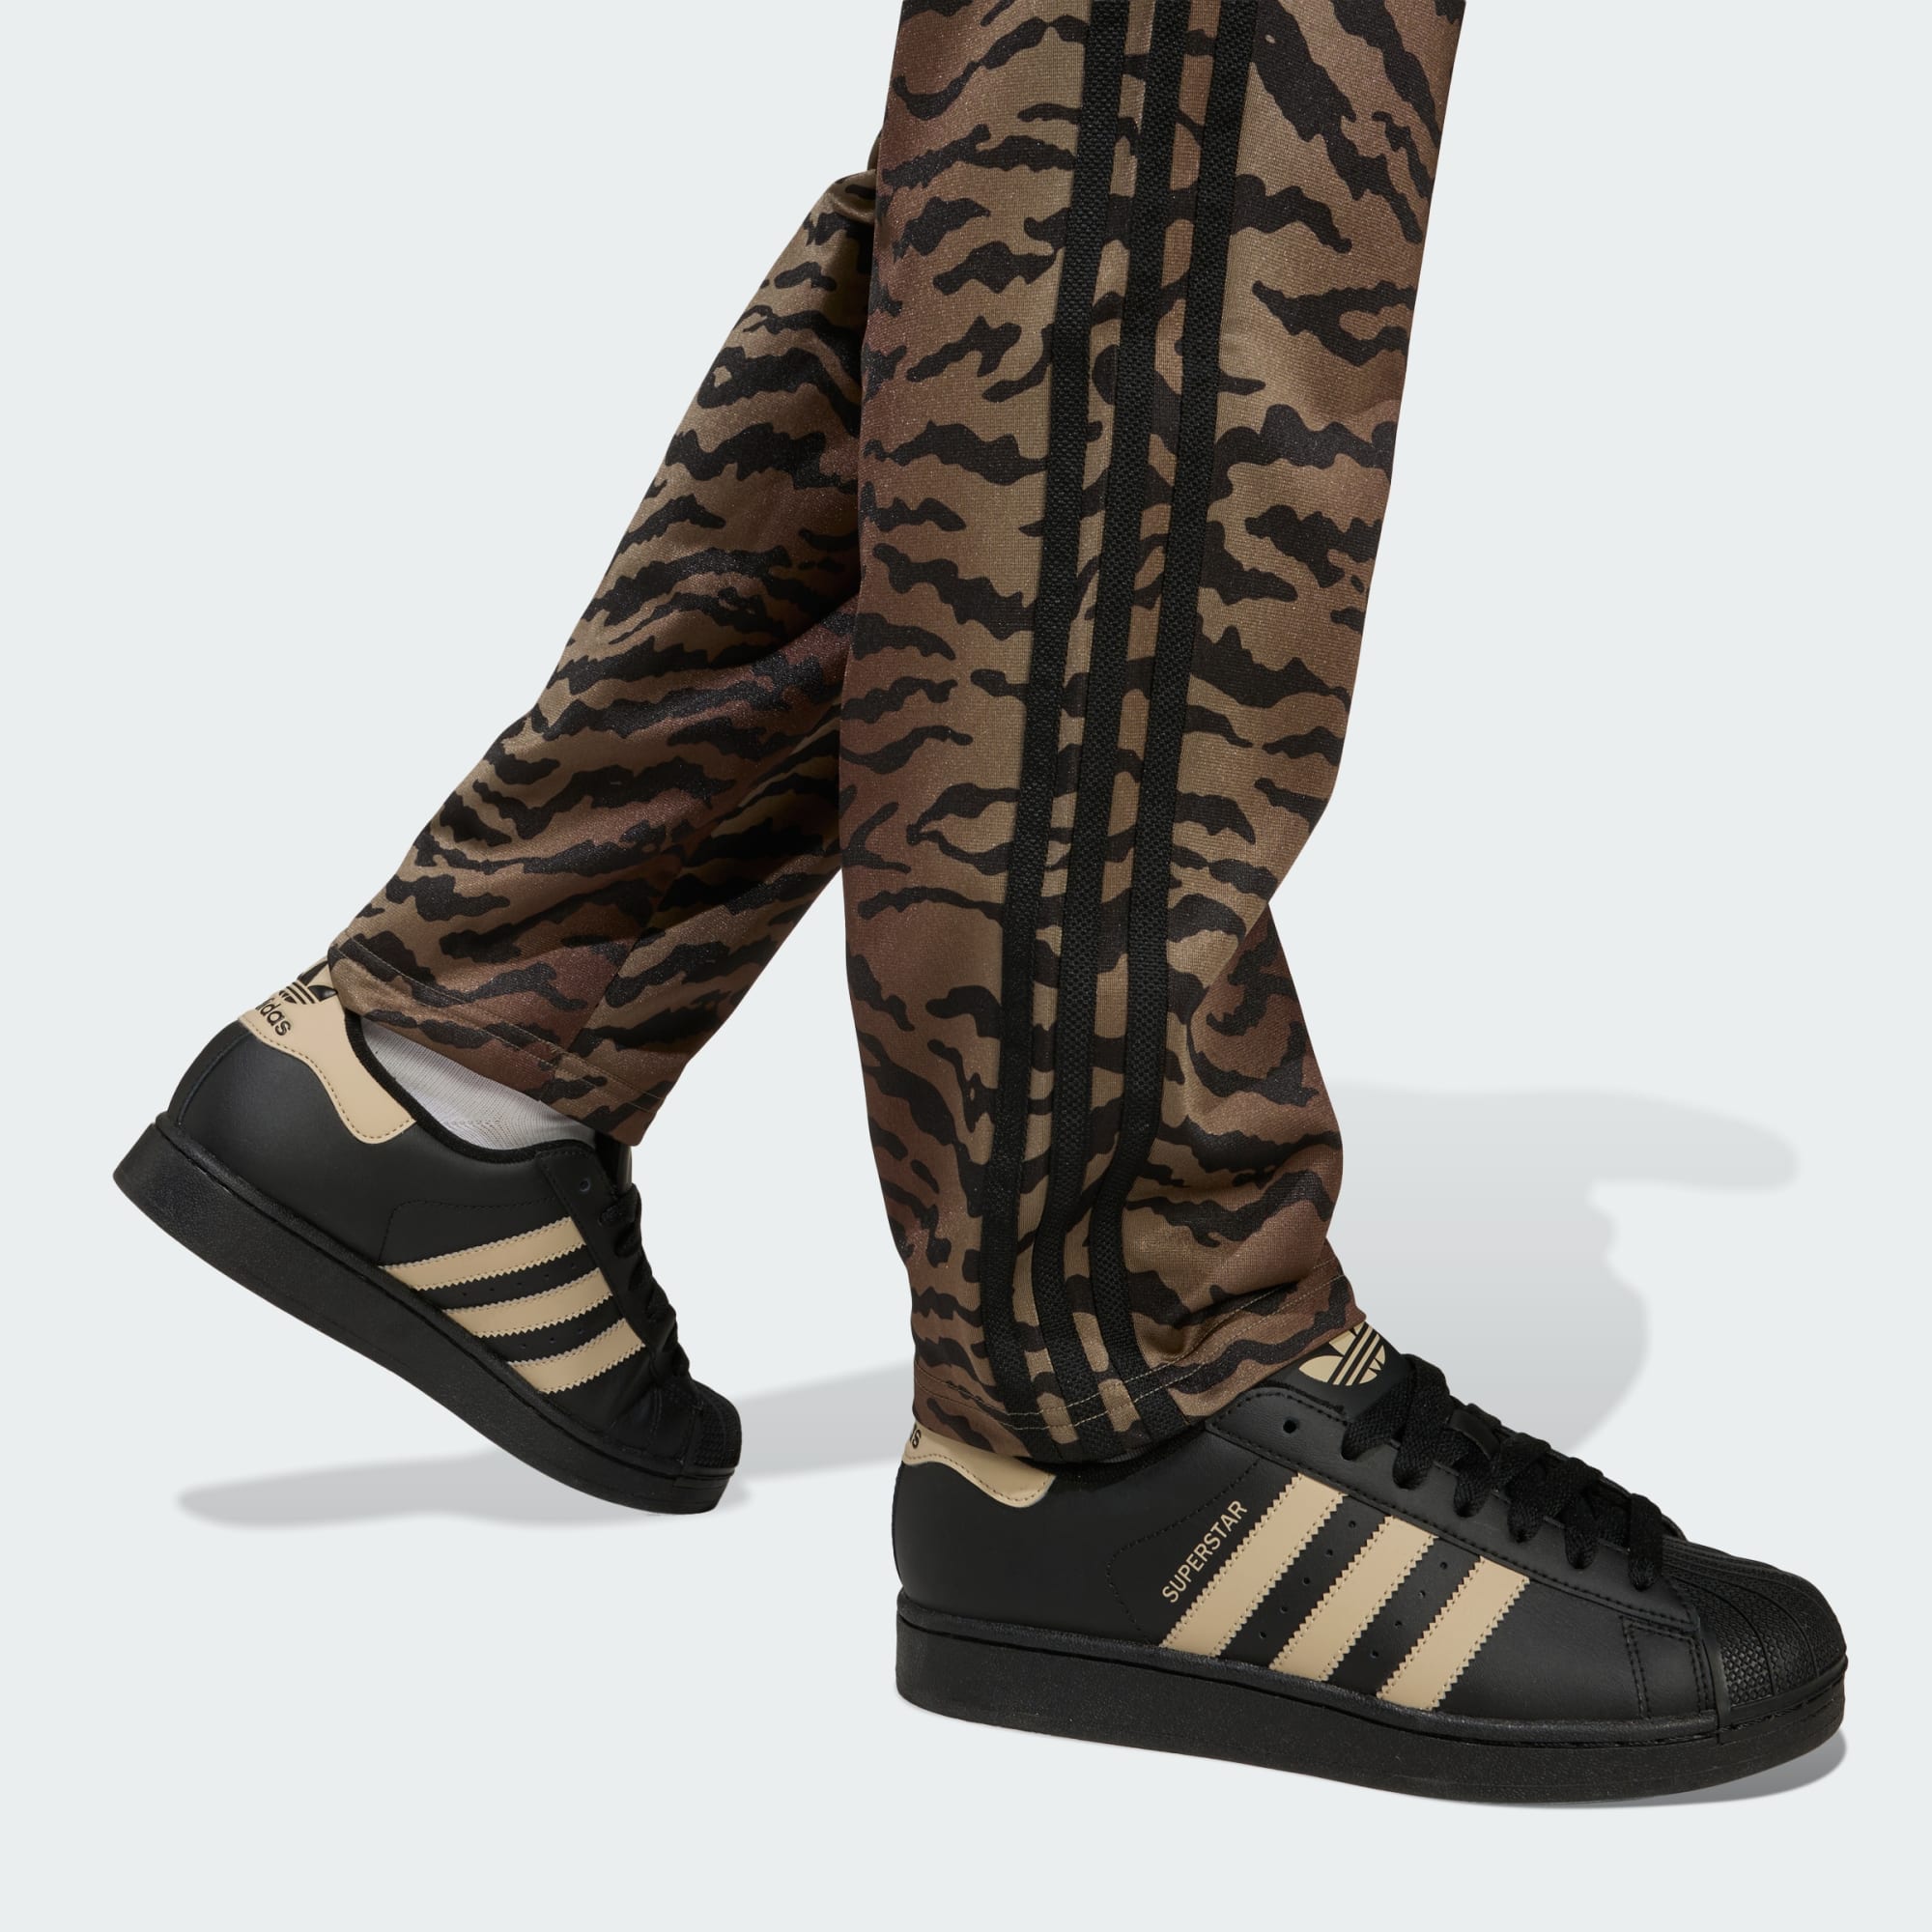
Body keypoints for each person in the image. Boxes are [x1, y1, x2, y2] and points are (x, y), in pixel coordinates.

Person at [116, 0, 1843, 1801]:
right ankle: (1120, 1394)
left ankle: (463, 1063)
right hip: (1117, 1380)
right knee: (1183, 117)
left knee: (1063, 165)